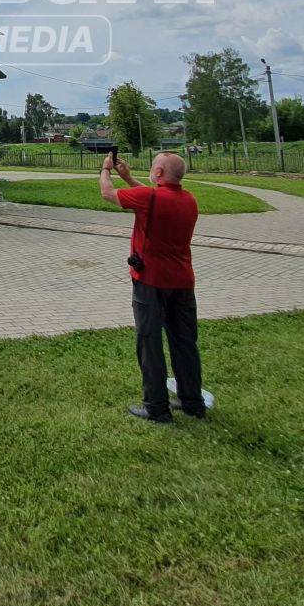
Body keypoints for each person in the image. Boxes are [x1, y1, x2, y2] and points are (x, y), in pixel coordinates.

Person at [100, 150, 205, 423]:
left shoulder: (152, 198)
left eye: (153, 167)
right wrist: (130, 178)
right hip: (182, 282)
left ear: (158, 173)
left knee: (150, 342)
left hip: (150, 283)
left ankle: (156, 407)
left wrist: (106, 171)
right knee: (184, 343)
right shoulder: (188, 200)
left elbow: (108, 194)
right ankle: (192, 401)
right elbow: (152, 199)